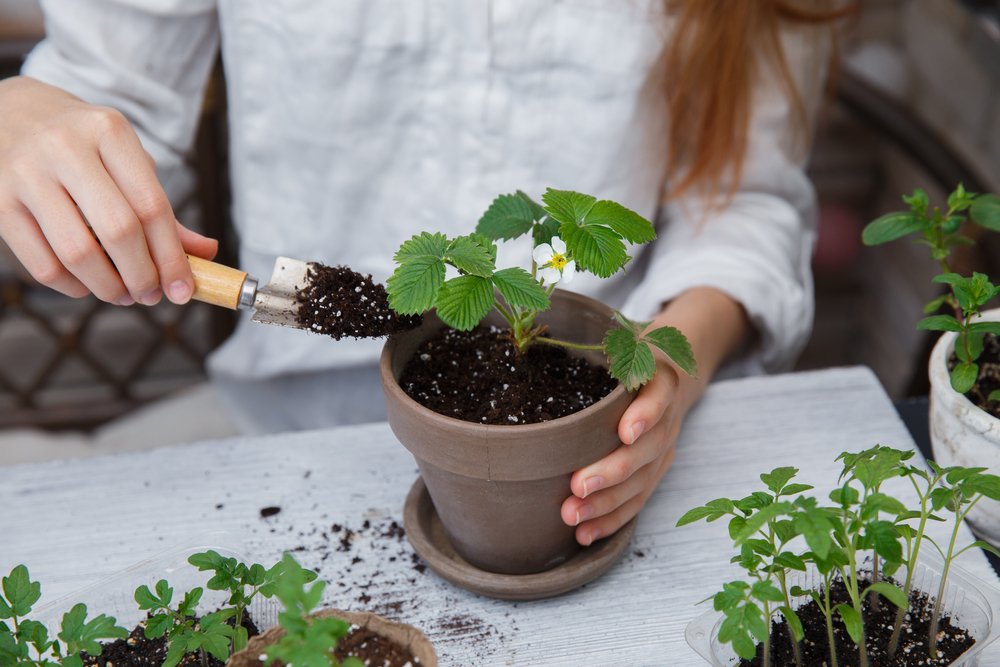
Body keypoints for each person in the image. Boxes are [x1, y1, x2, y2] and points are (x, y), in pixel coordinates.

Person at [0, 1, 845, 546]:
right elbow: (110, 101)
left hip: (590, 437)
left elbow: (747, 203)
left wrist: (665, 359)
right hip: (289, 428)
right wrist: (28, 123)